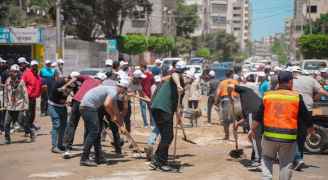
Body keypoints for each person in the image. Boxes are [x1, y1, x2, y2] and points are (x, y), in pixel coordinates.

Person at [249, 71, 315, 180]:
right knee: (286, 163)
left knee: (266, 158)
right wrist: (311, 131)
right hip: (288, 138)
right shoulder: (296, 97)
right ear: (289, 82)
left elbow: (258, 115)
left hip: (269, 136)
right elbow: (306, 116)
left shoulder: (268, 96)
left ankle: (266, 178)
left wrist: (252, 130)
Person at [79, 81, 128, 167]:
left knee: (97, 132)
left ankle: (99, 157)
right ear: (122, 88)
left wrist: (121, 126)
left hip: (87, 106)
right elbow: (106, 104)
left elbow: (116, 111)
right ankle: (84, 158)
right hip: (88, 107)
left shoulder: (113, 92)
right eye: (125, 89)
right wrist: (112, 115)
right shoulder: (113, 91)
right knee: (94, 132)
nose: (125, 92)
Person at [149, 61, 185, 172]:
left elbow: (177, 105)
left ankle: (157, 159)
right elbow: (175, 74)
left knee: (166, 135)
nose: (190, 80)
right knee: (168, 136)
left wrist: (178, 117)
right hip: (163, 109)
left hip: (157, 108)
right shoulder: (176, 77)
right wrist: (179, 85)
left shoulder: (170, 82)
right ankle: (161, 162)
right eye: (189, 78)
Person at [291, 66, 328, 170]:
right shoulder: (311, 80)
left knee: (292, 134)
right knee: (302, 135)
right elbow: (321, 92)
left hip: (292, 109)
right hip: (307, 109)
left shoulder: (290, 80)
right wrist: (312, 98)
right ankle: (299, 159)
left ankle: (297, 159)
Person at [62, 72, 107, 157]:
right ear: (102, 80)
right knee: (88, 126)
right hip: (86, 104)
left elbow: (75, 77)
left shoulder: (88, 78)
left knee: (72, 124)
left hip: (76, 101)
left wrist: (65, 86)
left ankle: (67, 148)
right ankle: (86, 149)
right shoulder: (100, 85)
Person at [3, 64, 29, 144]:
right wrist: (5, 104)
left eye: (16, 72)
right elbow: (5, 93)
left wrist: (26, 106)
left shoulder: (21, 82)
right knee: (6, 123)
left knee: (21, 122)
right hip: (10, 106)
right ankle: (7, 139)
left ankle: (31, 132)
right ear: (10, 72)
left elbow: (25, 94)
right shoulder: (8, 81)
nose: (15, 73)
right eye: (13, 72)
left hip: (19, 106)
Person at [48, 75, 73, 153]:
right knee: (57, 125)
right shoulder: (59, 82)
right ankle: (54, 146)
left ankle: (60, 144)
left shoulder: (72, 85)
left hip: (62, 107)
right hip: (53, 106)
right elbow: (56, 93)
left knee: (63, 126)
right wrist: (65, 101)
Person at [215, 70, 239, 140]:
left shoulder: (222, 83)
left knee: (226, 120)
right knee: (235, 119)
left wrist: (216, 102)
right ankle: (235, 136)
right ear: (232, 75)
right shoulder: (235, 82)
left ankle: (227, 135)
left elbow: (218, 92)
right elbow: (239, 92)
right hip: (235, 101)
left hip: (225, 101)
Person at [22, 60, 42, 141]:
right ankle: (28, 130)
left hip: (34, 98)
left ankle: (29, 128)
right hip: (27, 97)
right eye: (33, 66)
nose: (35, 67)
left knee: (32, 114)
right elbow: (22, 84)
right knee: (28, 114)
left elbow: (39, 85)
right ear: (31, 66)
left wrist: (39, 93)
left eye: (36, 66)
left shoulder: (37, 75)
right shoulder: (27, 73)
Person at [145, 75, 162, 160]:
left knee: (156, 128)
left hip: (153, 107)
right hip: (160, 109)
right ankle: (160, 151)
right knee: (163, 129)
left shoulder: (153, 87)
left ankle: (150, 143)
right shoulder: (161, 88)